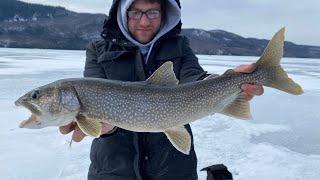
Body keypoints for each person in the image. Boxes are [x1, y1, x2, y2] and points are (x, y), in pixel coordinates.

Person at [59, 0, 264, 179]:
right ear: (122, 13)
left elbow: (194, 77)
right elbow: (95, 91)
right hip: (112, 170)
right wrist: (106, 128)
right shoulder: (98, 49)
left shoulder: (180, 45)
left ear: (164, 13)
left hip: (174, 170)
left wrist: (227, 83)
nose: (144, 22)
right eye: (136, 12)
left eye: (152, 12)